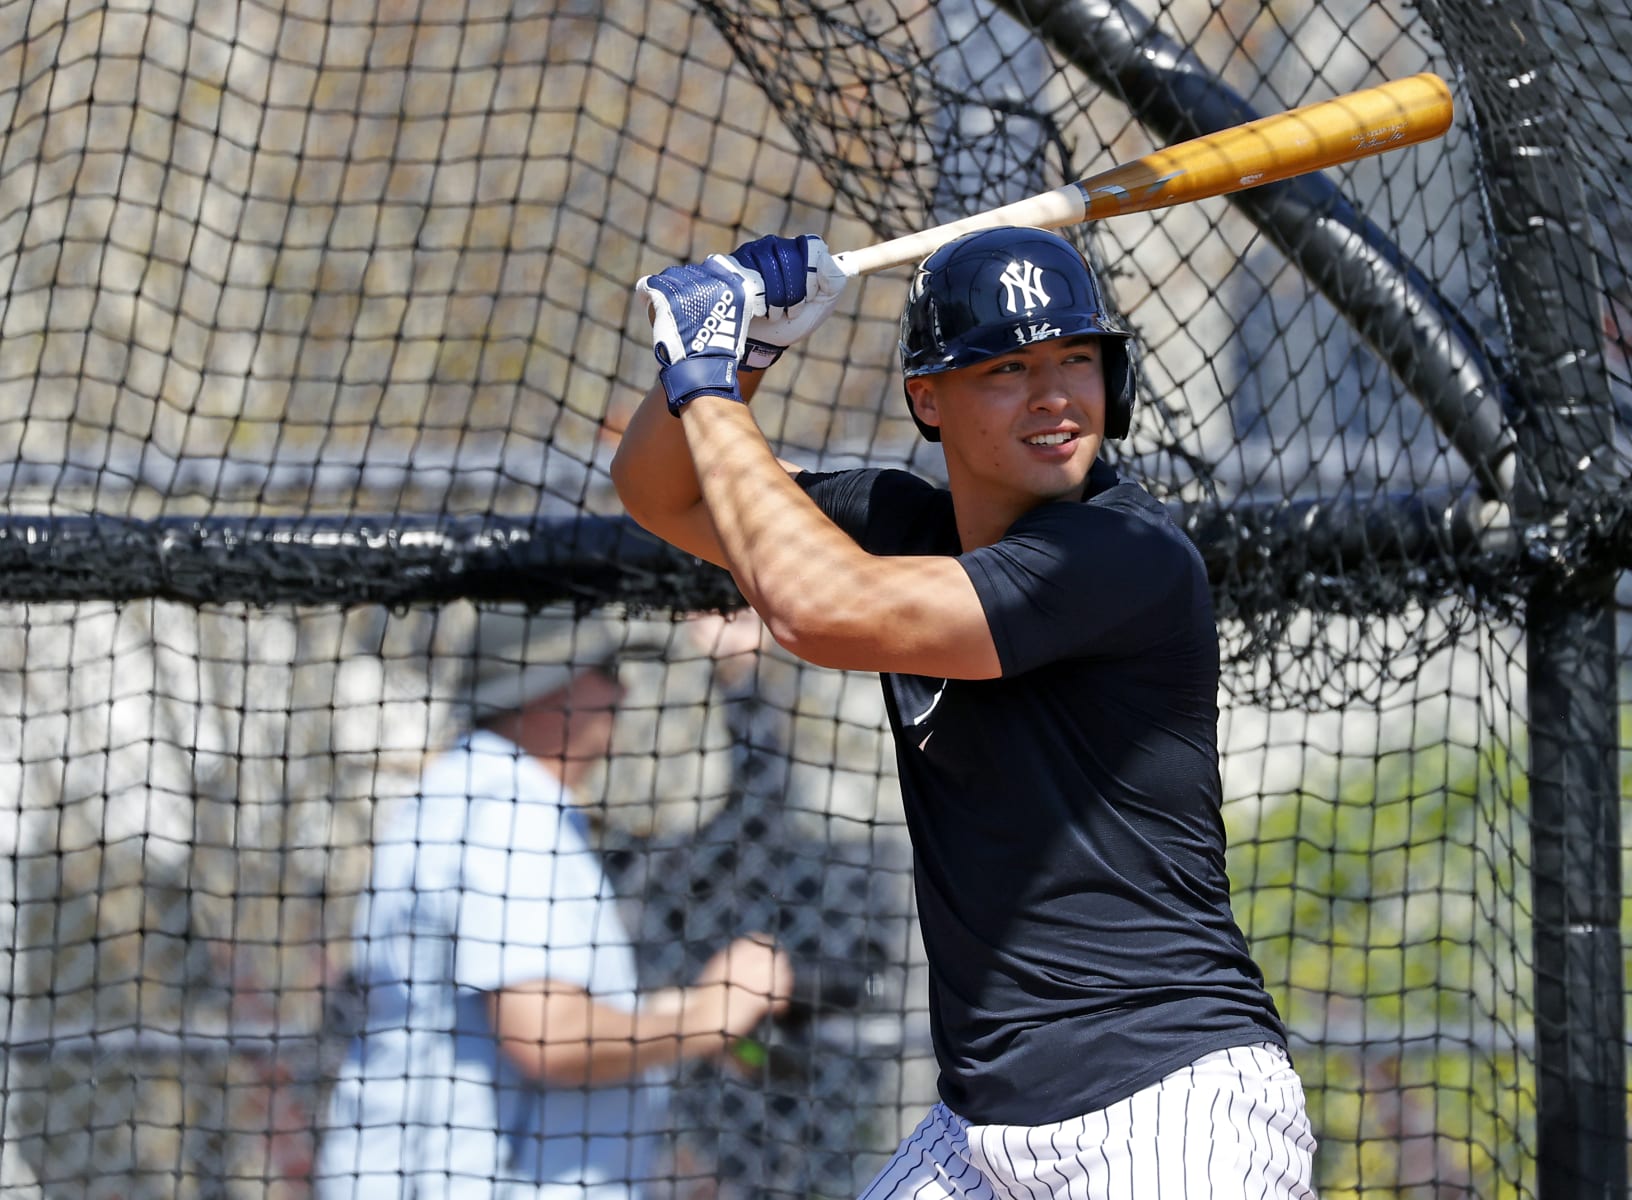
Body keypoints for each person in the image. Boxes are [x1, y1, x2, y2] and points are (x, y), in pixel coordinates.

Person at [611, 227, 1316, 1197]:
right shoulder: (902, 525)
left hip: (1166, 1108)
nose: (1056, 395)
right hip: (984, 1129)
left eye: (1077, 359)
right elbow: (659, 490)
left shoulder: (1120, 553)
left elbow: (815, 610)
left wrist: (707, 378)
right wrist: (742, 354)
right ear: (927, 400)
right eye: (1007, 369)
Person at [313, 605, 793, 1199]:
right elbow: (548, 1035)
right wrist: (713, 1015)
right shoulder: (510, 812)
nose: (620, 689)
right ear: (546, 687)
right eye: (604, 669)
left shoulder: (454, 794)